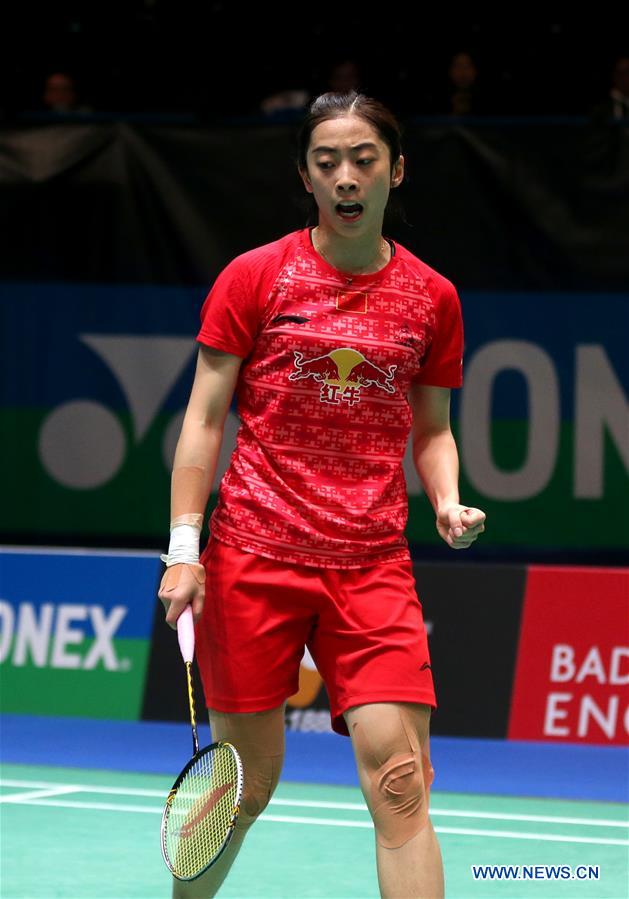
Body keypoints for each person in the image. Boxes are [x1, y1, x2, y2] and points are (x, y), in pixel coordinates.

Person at [158, 89, 486, 899]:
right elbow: (202, 421)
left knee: (401, 783)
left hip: (371, 563)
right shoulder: (255, 277)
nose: (346, 178)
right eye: (327, 162)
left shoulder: (432, 297)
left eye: (363, 160)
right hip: (253, 557)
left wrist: (445, 497)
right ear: (304, 176)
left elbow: (432, 428)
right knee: (246, 787)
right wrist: (185, 549)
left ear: (395, 171)